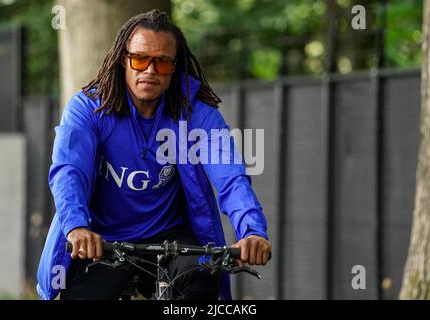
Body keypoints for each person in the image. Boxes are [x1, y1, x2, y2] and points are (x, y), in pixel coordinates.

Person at [36, 9, 271, 300]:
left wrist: (252, 231)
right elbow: (70, 170)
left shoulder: (195, 114)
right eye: (140, 59)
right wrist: (77, 227)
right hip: (102, 239)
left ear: (175, 67)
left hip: (170, 237)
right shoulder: (89, 108)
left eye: (162, 62)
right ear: (124, 59)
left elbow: (231, 177)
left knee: (201, 283)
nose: (149, 70)